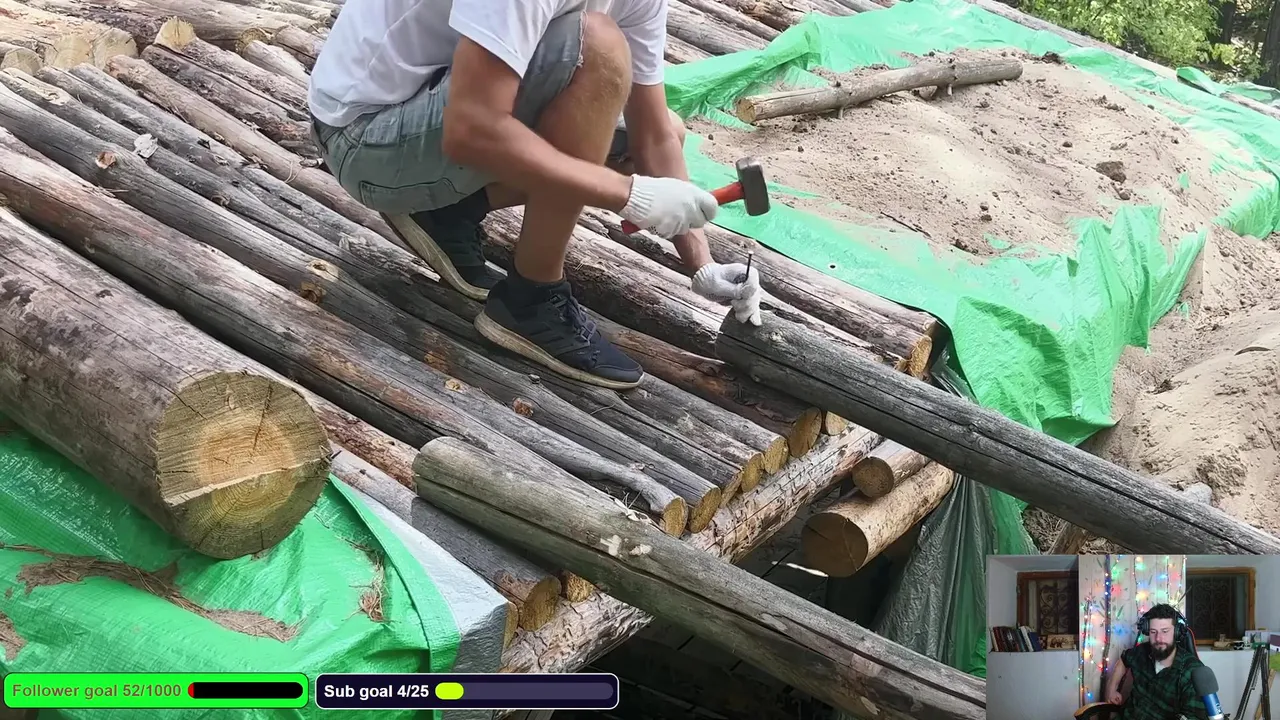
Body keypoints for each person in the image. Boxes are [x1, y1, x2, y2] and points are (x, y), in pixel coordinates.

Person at [307, 0, 764, 390]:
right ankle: (531, 300)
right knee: (597, 46)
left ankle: (449, 211)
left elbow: (653, 136)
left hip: (432, 114)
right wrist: (628, 194)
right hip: (365, 141)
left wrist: (702, 263)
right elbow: (472, 129)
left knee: (663, 128)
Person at [1103, 604, 1210, 720]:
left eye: (1165, 631)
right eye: (1153, 632)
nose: (1159, 638)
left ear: (1177, 632)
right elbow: (1124, 659)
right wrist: (1112, 688)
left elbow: (1194, 716)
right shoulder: (1141, 652)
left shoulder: (1192, 671)